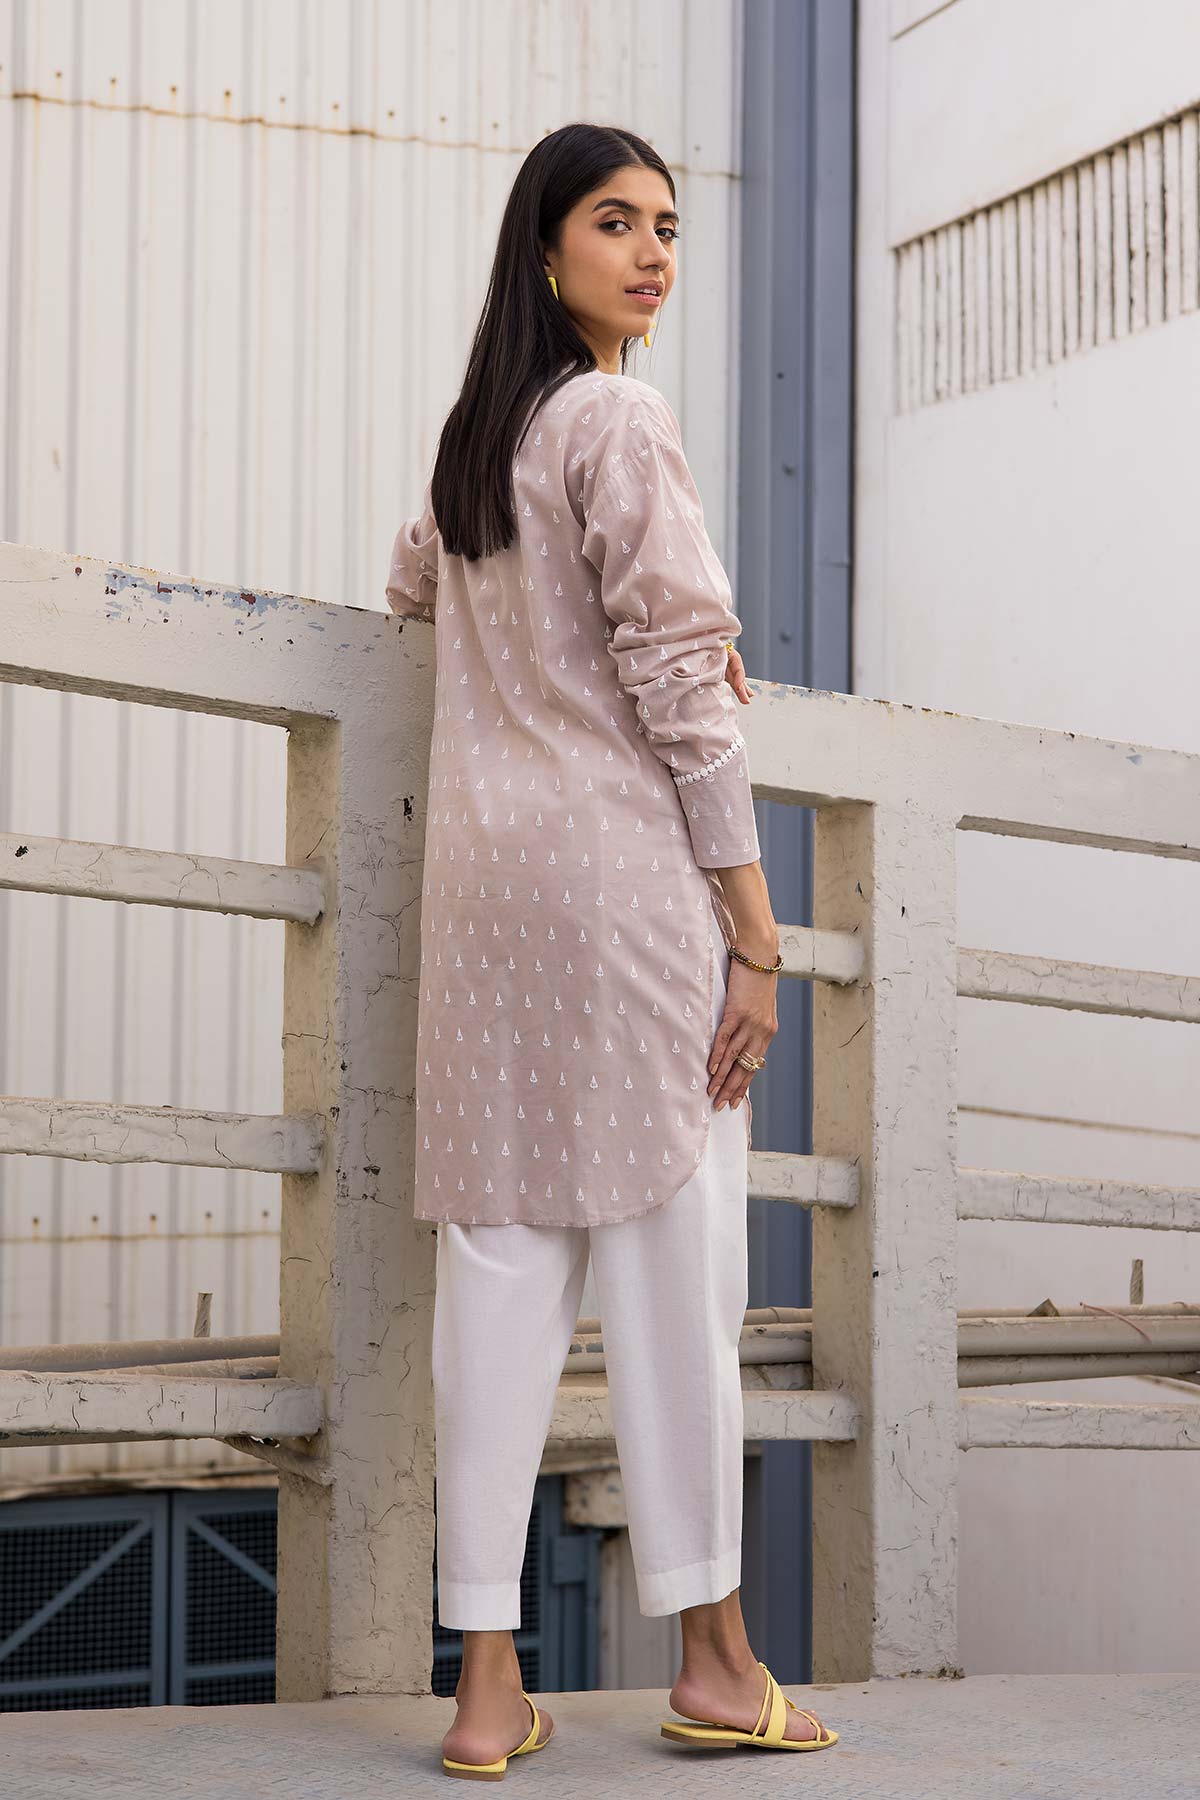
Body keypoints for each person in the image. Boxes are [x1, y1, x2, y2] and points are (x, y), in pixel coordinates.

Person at [385, 121, 838, 1778]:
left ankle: (485, 1687)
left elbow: (410, 586)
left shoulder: (476, 444)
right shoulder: (618, 418)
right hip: (621, 899)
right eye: (614, 223)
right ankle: (714, 1659)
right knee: (672, 1270)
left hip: (484, 913)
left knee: (499, 1280)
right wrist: (755, 930)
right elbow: (683, 675)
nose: (652, 254)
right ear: (547, 247)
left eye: (665, 226)